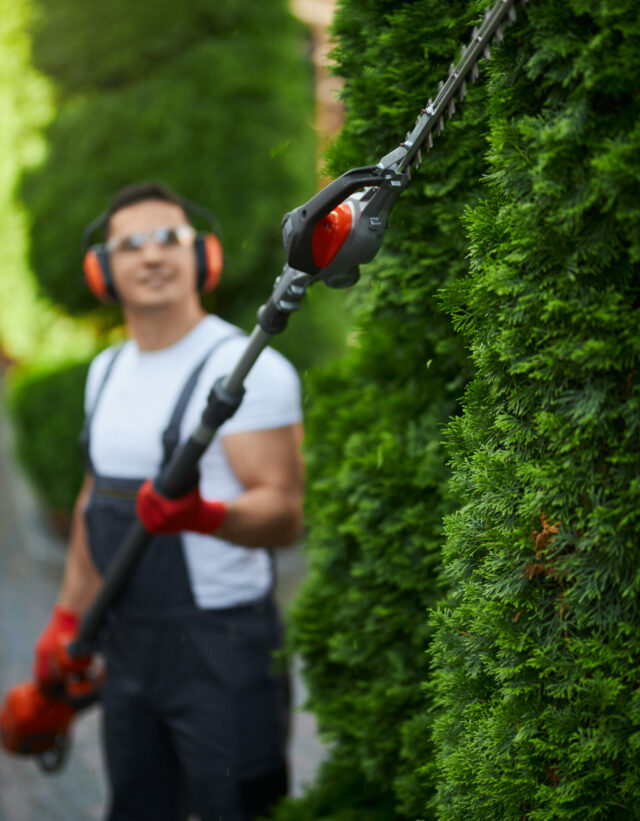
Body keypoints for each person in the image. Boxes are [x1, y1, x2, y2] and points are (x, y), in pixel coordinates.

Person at [32, 182, 305, 820]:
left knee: (235, 807)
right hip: (129, 648)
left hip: (224, 649)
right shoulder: (105, 372)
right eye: (130, 244)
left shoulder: (248, 368)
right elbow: (92, 503)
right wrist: (67, 620)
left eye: (169, 239)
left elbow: (284, 517)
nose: (151, 255)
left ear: (201, 258)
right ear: (103, 268)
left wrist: (205, 516)